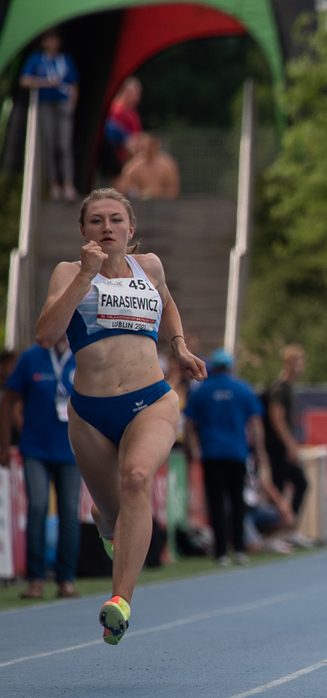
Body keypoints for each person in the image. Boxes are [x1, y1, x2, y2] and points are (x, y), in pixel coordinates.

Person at [35, 189, 207, 645]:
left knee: (136, 479)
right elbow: (45, 335)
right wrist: (85, 277)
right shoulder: (69, 272)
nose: (106, 228)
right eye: (96, 221)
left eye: (115, 220)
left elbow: (166, 301)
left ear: (131, 229)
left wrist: (180, 346)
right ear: (83, 231)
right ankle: (110, 523)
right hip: (90, 412)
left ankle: (120, 601)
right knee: (111, 512)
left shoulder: (148, 266)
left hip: (151, 399)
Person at [1, 335, 81, 599]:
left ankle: (65, 579)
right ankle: (35, 579)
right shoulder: (31, 357)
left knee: (69, 513)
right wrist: (4, 445)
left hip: (72, 451)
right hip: (35, 449)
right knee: (37, 508)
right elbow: (8, 399)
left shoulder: (83, 356)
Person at [184, 349, 272, 565]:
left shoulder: (202, 390)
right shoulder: (242, 389)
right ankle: (239, 548)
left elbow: (188, 424)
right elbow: (256, 423)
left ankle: (221, 551)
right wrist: (259, 452)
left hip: (212, 453)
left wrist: (191, 448)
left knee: (215, 502)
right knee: (236, 501)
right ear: (230, 366)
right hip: (237, 453)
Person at [19, 29, 79, 200]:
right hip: (46, 104)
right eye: (49, 40)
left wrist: (72, 106)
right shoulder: (37, 59)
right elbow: (25, 80)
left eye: (55, 40)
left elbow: (74, 84)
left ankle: (68, 184)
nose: (52, 43)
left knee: (64, 145)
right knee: (50, 144)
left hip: (62, 104)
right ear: (43, 42)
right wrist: (43, 83)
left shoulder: (65, 60)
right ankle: (54, 184)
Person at [262, 344, 308, 524]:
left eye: (300, 361)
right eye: (293, 361)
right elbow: (277, 418)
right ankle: (275, 528)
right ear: (286, 363)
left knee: (299, 483)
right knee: (281, 485)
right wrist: (290, 444)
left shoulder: (288, 388)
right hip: (275, 445)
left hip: (280, 444)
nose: (297, 365)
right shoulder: (279, 388)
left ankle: (287, 527)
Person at [115, 133, 181, 199]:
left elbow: (173, 189)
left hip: (162, 203)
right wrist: (136, 195)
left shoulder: (168, 165)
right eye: (148, 146)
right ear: (143, 146)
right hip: (140, 202)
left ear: (158, 146)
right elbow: (125, 187)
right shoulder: (133, 166)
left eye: (153, 146)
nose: (151, 149)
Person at [104, 77, 143, 169]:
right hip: (120, 160)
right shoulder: (117, 110)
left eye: (138, 93)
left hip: (131, 158)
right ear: (125, 92)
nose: (138, 96)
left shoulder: (132, 111)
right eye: (135, 93)